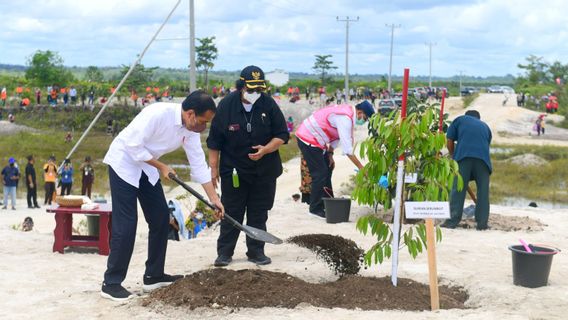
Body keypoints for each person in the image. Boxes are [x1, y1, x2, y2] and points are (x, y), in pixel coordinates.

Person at [100, 90, 224, 302]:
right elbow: (132, 145)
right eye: (203, 122)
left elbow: (198, 165)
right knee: (127, 224)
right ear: (191, 113)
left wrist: (214, 199)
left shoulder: (191, 130)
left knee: (160, 218)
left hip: (146, 169)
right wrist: (160, 166)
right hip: (124, 164)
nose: (204, 128)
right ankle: (111, 283)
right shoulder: (158, 113)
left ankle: (153, 275)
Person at [207, 65, 289, 267]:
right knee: (232, 211)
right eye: (250, 90)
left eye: (258, 90)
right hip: (234, 170)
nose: (254, 94)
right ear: (241, 86)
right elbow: (214, 141)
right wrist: (214, 169)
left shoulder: (268, 105)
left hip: (264, 170)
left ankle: (256, 251)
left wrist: (266, 149)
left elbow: (282, 135)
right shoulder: (226, 106)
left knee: (258, 212)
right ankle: (224, 252)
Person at [295, 101, 372, 218]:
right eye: (365, 118)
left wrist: (330, 154)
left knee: (328, 167)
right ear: (360, 112)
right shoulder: (345, 118)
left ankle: (327, 201)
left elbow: (335, 136)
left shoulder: (348, 114)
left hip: (317, 139)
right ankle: (315, 208)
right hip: (308, 138)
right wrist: (362, 168)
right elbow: (347, 150)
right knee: (320, 173)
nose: (364, 121)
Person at [441, 110, 492, 230]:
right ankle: (482, 224)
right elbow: (485, 144)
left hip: (464, 157)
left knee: (458, 189)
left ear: (466, 115)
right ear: (478, 118)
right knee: (483, 192)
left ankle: (452, 221)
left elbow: (449, 140)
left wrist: (454, 156)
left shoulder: (459, 120)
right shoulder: (485, 127)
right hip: (483, 161)